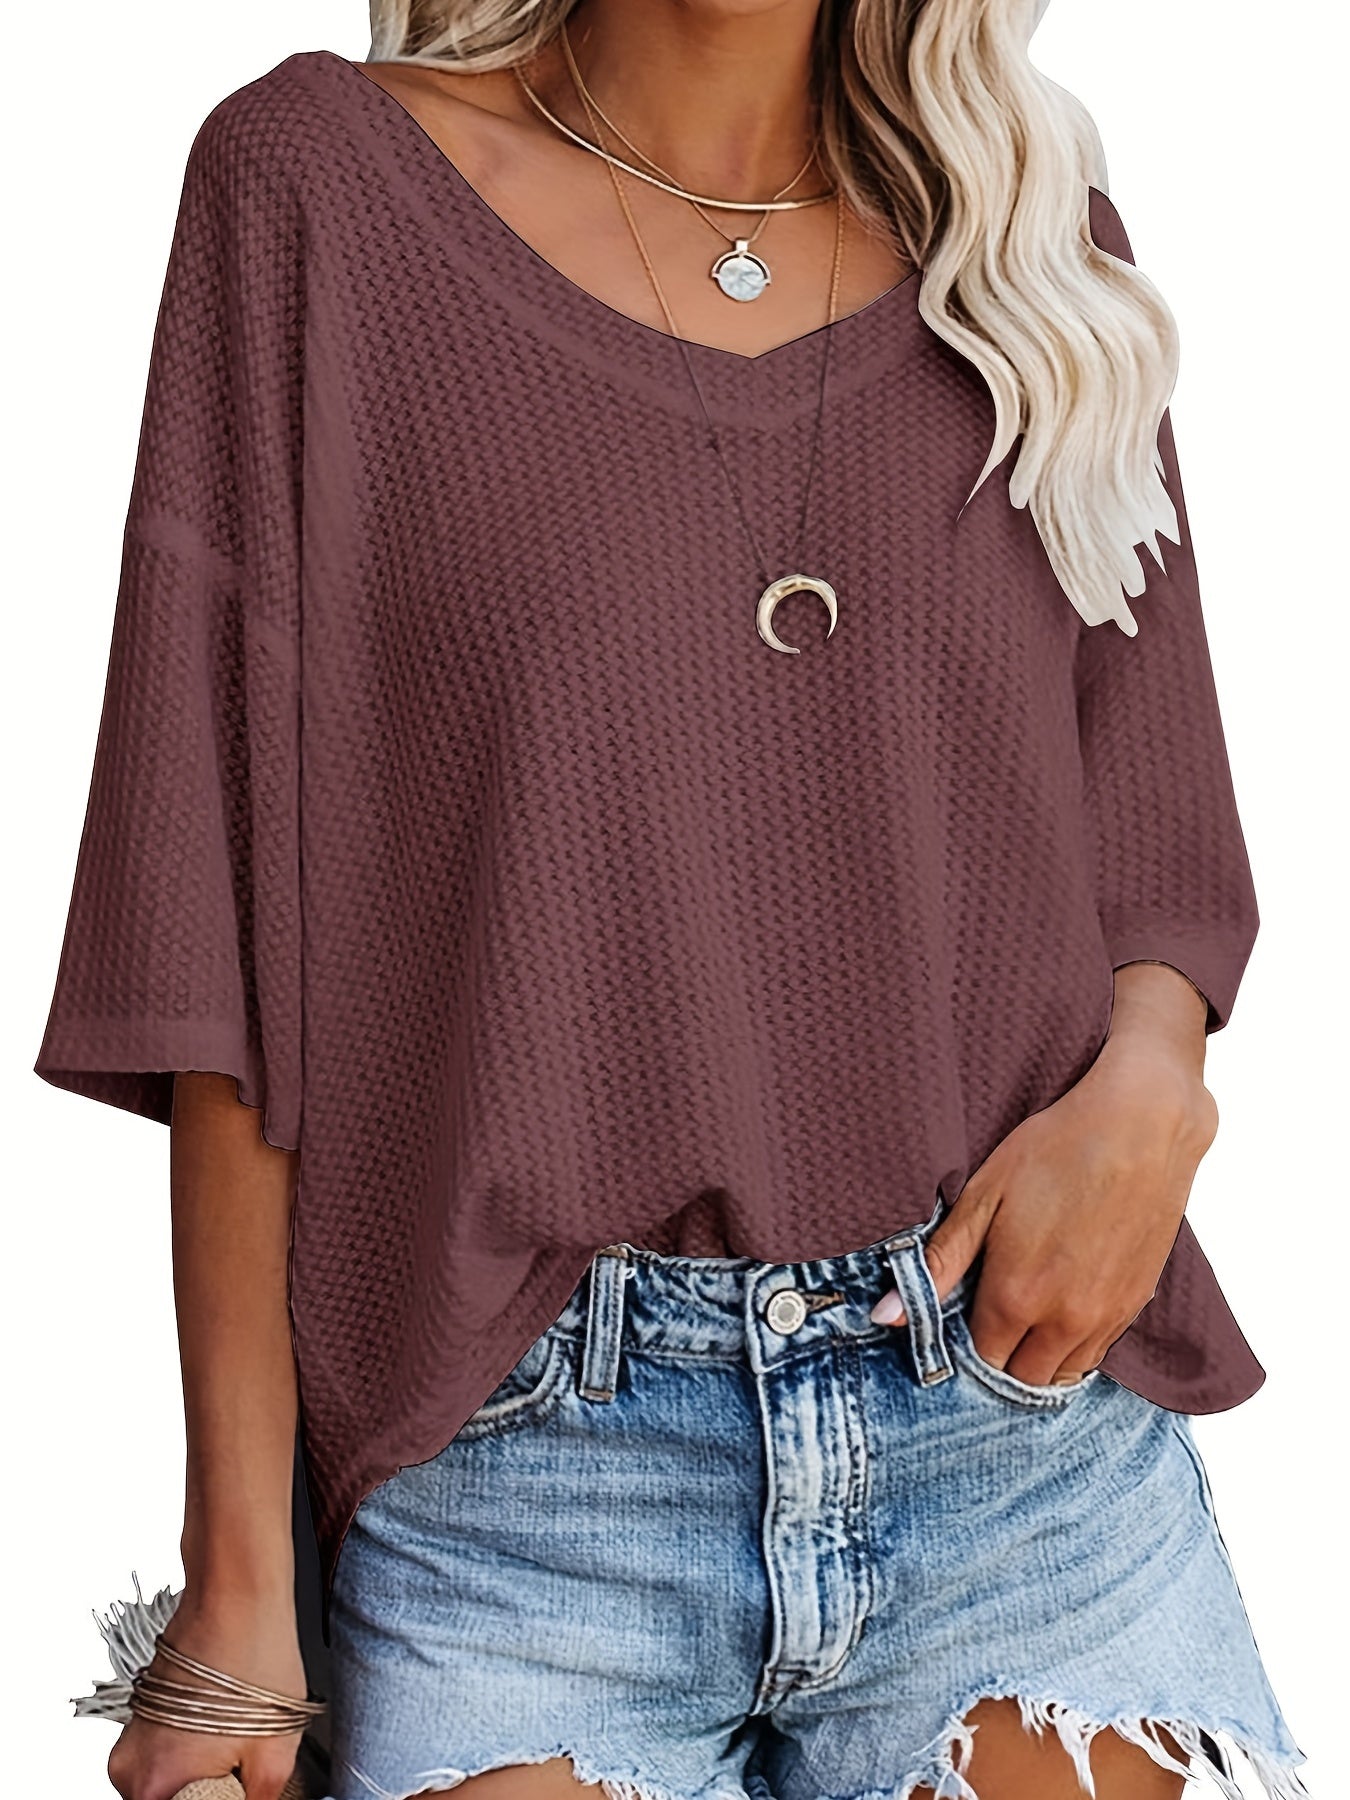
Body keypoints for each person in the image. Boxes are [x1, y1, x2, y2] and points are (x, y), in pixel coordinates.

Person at [36, 4, 1312, 1799]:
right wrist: (236, 1575)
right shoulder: (320, 185)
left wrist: (1153, 1090)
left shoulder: (1030, 234)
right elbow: (226, 927)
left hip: (1016, 1436)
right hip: (526, 1486)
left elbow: (1155, 824)